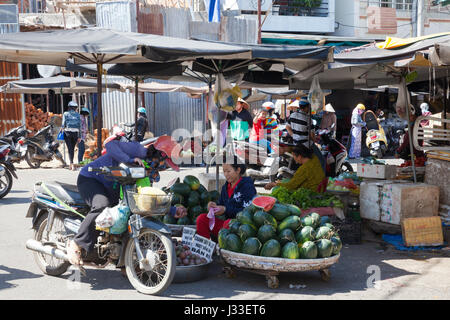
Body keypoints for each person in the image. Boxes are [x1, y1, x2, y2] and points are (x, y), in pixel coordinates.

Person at [66, 139, 187, 265]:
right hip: (91, 179)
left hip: (112, 188)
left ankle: (125, 264)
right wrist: (129, 160)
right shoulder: (138, 150)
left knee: (127, 216)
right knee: (102, 206)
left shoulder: (149, 169)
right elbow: (110, 144)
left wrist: (171, 209)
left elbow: (146, 196)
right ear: (161, 155)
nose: (165, 167)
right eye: (166, 163)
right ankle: (77, 242)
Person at [196, 156, 257, 240]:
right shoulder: (226, 187)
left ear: (238, 170)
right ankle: (204, 248)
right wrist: (214, 206)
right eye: (224, 171)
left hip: (240, 228)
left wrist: (225, 209)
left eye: (228, 171)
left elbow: (247, 212)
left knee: (228, 223)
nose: (225, 174)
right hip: (225, 226)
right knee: (201, 219)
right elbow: (221, 203)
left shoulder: (247, 187)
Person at [286, 98, 326, 172]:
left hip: (296, 143)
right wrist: (315, 142)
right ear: (307, 107)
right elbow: (312, 136)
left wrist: (294, 136)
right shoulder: (308, 119)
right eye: (309, 107)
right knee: (322, 160)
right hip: (306, 144)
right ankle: (322, 179)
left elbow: (287, 127)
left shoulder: (292, 115)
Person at [62, 101, 81, 171]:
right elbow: (80, 126)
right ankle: (71, 164)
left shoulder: (65, 113)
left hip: (67, 133)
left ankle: (71, 163)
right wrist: (79, 136)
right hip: (75, 133)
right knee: (72, 148)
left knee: (69, 148)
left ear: (69, 107)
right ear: (75, 108)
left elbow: (63, 123)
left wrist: (62, 129)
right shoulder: (78, 115)